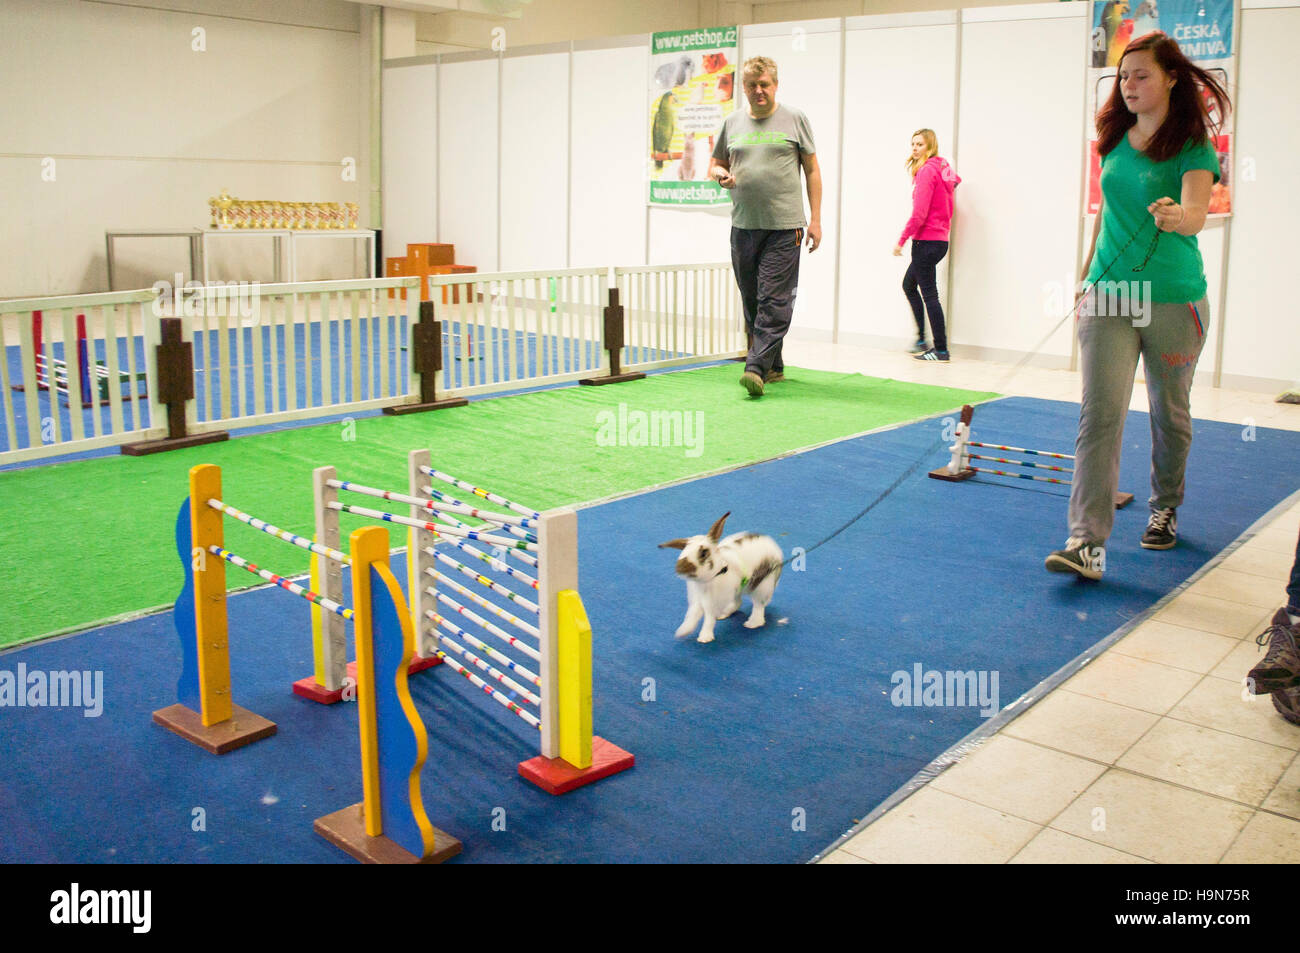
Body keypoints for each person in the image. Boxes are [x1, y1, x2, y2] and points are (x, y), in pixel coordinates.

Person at [1045, 32, 1229, 580]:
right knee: (1099, 414)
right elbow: (1105, 215)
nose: (1128, 85)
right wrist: (1083, 278)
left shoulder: (1193, 144)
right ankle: (1086, 542)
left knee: (1169, 414)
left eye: (1141, 75)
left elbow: (1197, 210)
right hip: (1110, 295)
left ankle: (1164, 507)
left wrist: (1179, 217)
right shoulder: (1114, 139)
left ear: (1171, 78)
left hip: (1174, 298)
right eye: (1123, 76)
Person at [709, 56, 822, 398]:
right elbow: (715, 163)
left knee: (774, 298)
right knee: (753, 299)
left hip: (784, 226)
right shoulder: (732, 123)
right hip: (743, 224)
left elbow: (812, 170)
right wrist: (719, 176)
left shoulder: (794, 119)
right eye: (752, 86)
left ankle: (755, 367)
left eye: (765, 85)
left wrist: (815, 219)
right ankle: (775, 365)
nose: (758, 91)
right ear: (743, 87)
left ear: (775, 85)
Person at [894, 129, 960, 362]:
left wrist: (902, 240)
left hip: (925, 240)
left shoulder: (926, 172)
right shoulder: (943, 168)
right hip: (940, 240)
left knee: (930, 295)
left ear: (930, 146)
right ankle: (922, 339)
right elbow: (955, 183)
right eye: (912, 143)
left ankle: (940, 349)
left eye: (920, 144)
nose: (914, 148)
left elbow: (919, 213)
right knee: (909, 284)